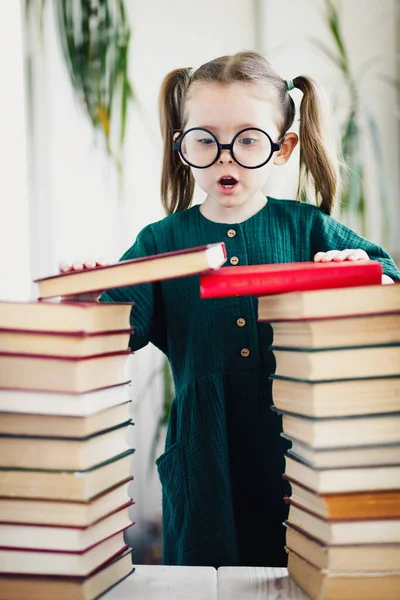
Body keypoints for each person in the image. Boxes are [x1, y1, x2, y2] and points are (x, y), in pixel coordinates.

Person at [60, 51, 400, 568]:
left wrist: (359, 271)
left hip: (299, 454)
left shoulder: (309, 229)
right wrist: (84, 301)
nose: (225, 156)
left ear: (283, 148)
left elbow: (387, 280)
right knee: (203, 572)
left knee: (304, 572)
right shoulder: (160, 241)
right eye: (205, 139)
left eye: (248, 139)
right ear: (182, 146)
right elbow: (109, 331)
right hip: (203, 457)